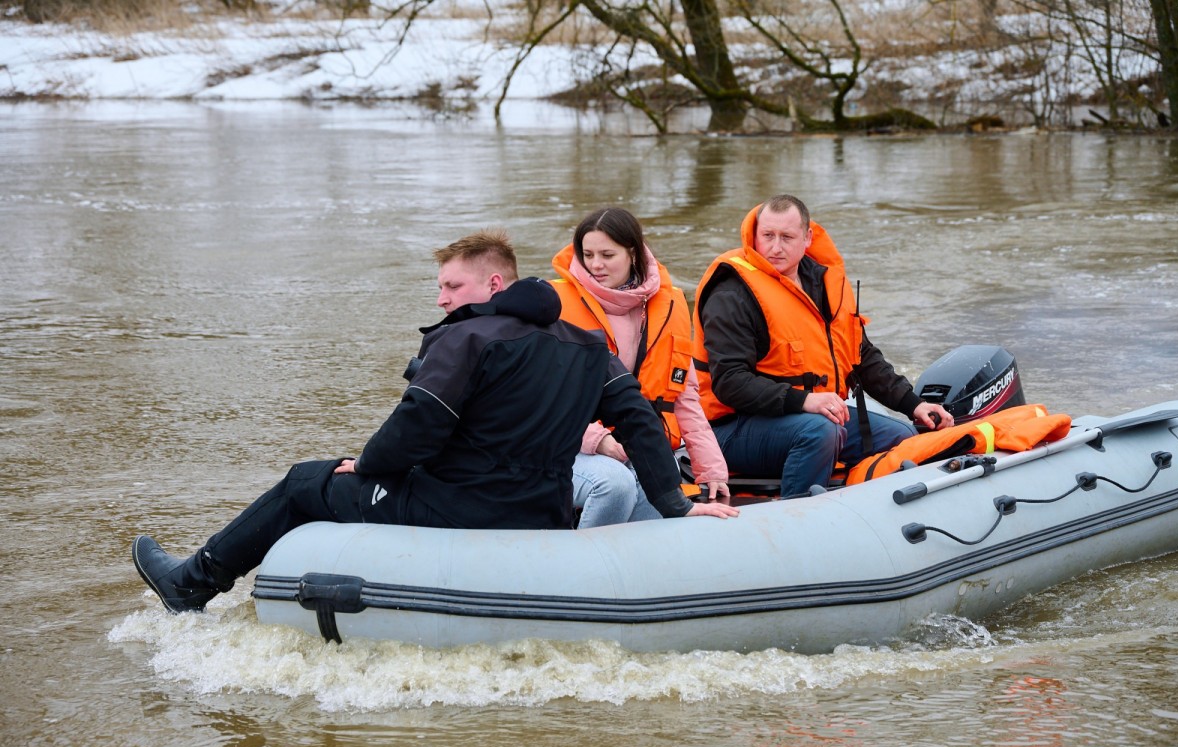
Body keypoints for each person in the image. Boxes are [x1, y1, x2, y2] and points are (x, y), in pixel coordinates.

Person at [134, 230, 738, 614]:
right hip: (543, 514)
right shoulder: (588, 347)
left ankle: (192, 582)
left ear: (494, 284)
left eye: (452, 285)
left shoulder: (468, 339)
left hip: (456, 506)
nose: (443, 299)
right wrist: (675, 503)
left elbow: (420, 424)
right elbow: (637, 421)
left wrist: (366, 466)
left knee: (302, 482)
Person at [692, 195, 953, 497]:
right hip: (731, 429)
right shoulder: (732, 293)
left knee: (901, 436)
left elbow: (861, 356)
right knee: (820, 432)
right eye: (767, 236)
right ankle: (797, 517)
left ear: (807, 238)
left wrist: (913, 404)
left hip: (810, 417)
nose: (775, 248)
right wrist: (805, 402)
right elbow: (730, 383)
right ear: (755, 236)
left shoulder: (825, 284)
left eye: (787, 237)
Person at [550, 207, 730, 527]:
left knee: (663, 480)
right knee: (616, 484)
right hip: (573, 442)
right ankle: (585, 560)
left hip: (644, 441)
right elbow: (541, 398)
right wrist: (596, 440)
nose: (595, 264)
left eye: (607, 254)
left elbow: (684, 397)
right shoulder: (556, 305)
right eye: (587, 254)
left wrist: (712, 470)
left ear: (632, 252)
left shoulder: (669, 304)